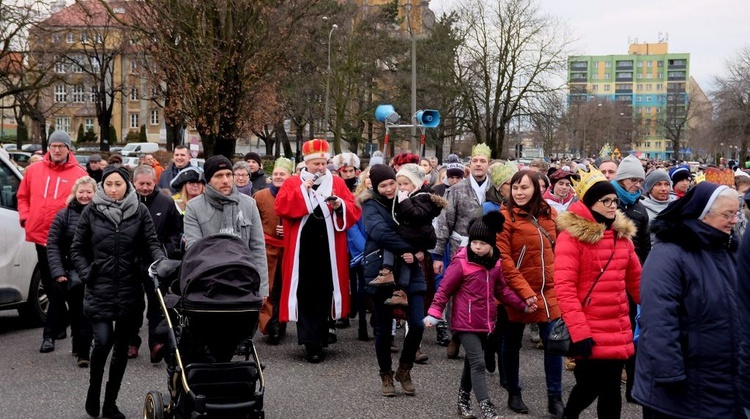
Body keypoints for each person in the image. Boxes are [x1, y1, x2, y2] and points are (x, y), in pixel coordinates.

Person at [634, 182, 742, 418]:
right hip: (681, 387)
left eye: (737, 213)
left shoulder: (730, 251)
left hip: (723, 381)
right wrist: (669, 375)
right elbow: (658, 320)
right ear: (702, 215)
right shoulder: (669, 254)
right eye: (728, 214)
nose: (735, 221)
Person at [71, 165, 165, 419]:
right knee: (102, 341)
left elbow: (152, 243)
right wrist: (86, 272)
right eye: (109, 184)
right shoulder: (91, 211)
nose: (113, 189)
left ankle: (110, 402)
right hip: (98, 287)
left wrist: (160, 262)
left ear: (128, 186)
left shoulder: (140, 210)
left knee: (122, 348)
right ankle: (94, 391)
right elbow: (77, 248)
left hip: (129, 289)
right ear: (102, 186)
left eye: (118, 184)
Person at [424, 212, 534, 419]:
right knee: (479, 363)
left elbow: (502, 291)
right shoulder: (461, 262)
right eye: (474, 242)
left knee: (471, 363)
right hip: (464, 322)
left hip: (485, 322)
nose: (477, 247)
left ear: (491, 244)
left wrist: (522, 305)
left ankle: (463, 402)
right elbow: (444, 289)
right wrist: (434, 312)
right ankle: (487, 407)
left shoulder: (495, 264)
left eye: (482, 243)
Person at [554, 168, 642, 419]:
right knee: (589, 387)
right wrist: (579, 332)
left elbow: (637, 281)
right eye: (606, 201)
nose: (613, 205)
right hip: (588, 329)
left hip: (618, 327)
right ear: (590, 203)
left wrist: (659, 313)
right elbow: (565, 289)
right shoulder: (572, 238)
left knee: (612, 391)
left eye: (614, 200)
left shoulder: (621, 236)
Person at [275, 139, 360, 363]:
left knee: (325, 290)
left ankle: (322, 335)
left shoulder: (337, 183)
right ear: (306, 164)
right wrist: (303, 190)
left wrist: (339, 205)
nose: (320, 168)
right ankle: (309, 341)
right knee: (304, 292)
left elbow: (353, 209)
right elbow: (281, 206)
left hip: (328, 248)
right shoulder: (293, 182)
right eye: (316, 164)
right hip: (302, 248)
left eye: (323, 163)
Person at [496, 169, 563, 417]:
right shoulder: (505, 218)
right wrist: (524, 291)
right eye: (515, 187)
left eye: (524, 187)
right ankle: (514, 391)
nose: (519, 192)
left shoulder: (550, 214)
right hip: (516, 292)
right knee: (511, 342)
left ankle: (554, 397)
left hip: (549, 291)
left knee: (554, 344)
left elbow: (563, 250)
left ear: (537, 188)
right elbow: (503, 260)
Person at [17, 130, 87, 353]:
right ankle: (60, 323)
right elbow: (22, 196)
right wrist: (25, 217)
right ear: (49, 148)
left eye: (61, 146)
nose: (57, 150)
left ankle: (54, 331)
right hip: (40, 234)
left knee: (62, 285)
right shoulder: (34, 170)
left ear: (69, 149)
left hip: (67, 238)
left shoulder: (79, 173)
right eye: (53, 146)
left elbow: (86, 201)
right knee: (49, 283)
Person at [360, 164, 426, 396]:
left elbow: (427, 229)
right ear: (375, 186)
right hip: (381, 270)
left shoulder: (409, 200)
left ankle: (404, 369)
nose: (389, 189)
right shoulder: (370, 205)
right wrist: (410, 247)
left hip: (411, 268)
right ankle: (386, 374)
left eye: (392, 183)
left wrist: (420, 250)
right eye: (383, 185)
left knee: (417, 324)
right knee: (383, 328)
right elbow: (379, 233)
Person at [434, 144, 493, 358]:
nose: (478, 164)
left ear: (488, 164)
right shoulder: (457, 189)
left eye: (483, 161)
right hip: (460, 247)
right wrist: (438, 254)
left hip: (488, 249)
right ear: (470, 164)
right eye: (475, 161)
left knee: (484, 292)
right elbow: (445, 221)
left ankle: (481, 335)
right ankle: (455, 334)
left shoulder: (494, 188)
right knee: (457, 291)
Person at [183, 155, 268, 295]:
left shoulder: (249, 204)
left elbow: (258, 249)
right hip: (209, 285)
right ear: (209, 179)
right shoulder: (194, 207)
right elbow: (195, 250)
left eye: (229, 174)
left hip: (244, 283)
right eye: (219, 176)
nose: (225, 180)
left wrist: (262, 289)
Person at [370, 164, 447, 306]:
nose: (402, 187)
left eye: (406, 184)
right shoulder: (408, 196)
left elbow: (415, 214)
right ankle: (388, 273)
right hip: (408, 235)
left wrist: (404, 201)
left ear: (416, 184)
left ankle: (401, 289)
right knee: (393, 246)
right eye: (399, 184)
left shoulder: (422, 198)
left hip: (416, 237)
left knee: (406, 259)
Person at [128, 164, 183, 362]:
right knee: (132, 305)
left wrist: (166, 251)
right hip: (131, 262)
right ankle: (132, 342)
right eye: (140, 183)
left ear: (155, 182)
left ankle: (156, 344)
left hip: (156, 262)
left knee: (156, 305)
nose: (144, 187)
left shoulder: (166, 202)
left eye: (148, 184)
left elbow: (176, 231)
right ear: (134, 183)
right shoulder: (127, 202)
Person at [46, 176, 97, 367]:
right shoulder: (63, 215)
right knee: (76, 312)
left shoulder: (102, 213)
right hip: (71, 271)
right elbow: (53, 245)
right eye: (81, 192)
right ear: (75, 193)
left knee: (89, 311)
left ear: (95, 193)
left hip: (95, 271)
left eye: (88, 192)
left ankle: (84, 351)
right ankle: (79, 344)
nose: (84, 196)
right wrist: (58, 272)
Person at [611, 155, 650, 401]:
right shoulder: (607, 201)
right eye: (632, 179)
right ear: (621, 179)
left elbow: (644, 246)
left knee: (633, 332)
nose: (636, 184)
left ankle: (632, 387)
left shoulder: (639, 208)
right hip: (610, 277)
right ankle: (612, 380)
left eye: (639, 180)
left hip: (632, 276)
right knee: (615, 332)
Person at [254, 157, 294, 345]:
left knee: (284, 287)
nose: (278, 177)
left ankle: (281, 321)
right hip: (266, 250)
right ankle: (270, 324)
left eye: (282, 174)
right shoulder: (260, 196)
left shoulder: (296, 195)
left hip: (288, 250)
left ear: (290, 177)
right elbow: (254, 222)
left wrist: (288, 228)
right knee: (268, 288)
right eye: (276, 174)